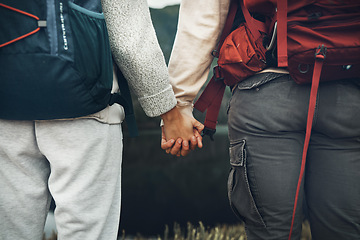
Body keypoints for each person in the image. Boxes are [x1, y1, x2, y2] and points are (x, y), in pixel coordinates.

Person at [0, 0, 202, 239]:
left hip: (7, 103)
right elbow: (130, 36)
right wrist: (169, 113)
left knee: (10, 230)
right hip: (85, 104)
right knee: (86, 232)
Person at [162, 0, 360, 239]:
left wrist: (179, 103)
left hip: (266, 94)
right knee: (344, 231)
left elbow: (205, 15)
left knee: (272, 231)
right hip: (347, 98)